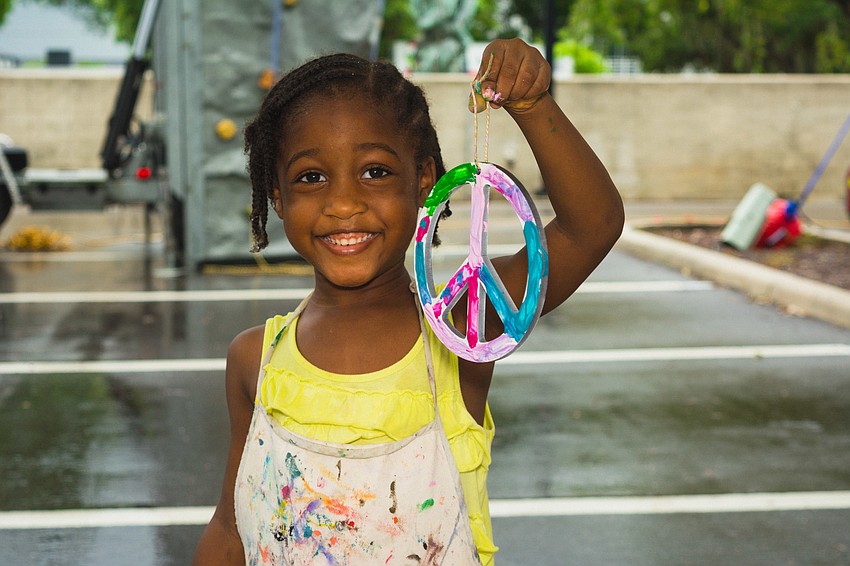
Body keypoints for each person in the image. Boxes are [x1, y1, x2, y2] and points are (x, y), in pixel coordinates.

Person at [193, 38, 624, 565]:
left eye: (375, 171)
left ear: (424, 183)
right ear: (277, 197)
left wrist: (532, 105)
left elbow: (592, 226)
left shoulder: (463, 330)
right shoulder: (253, 360)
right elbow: (230, 531)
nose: (344, 203)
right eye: (311, 177)